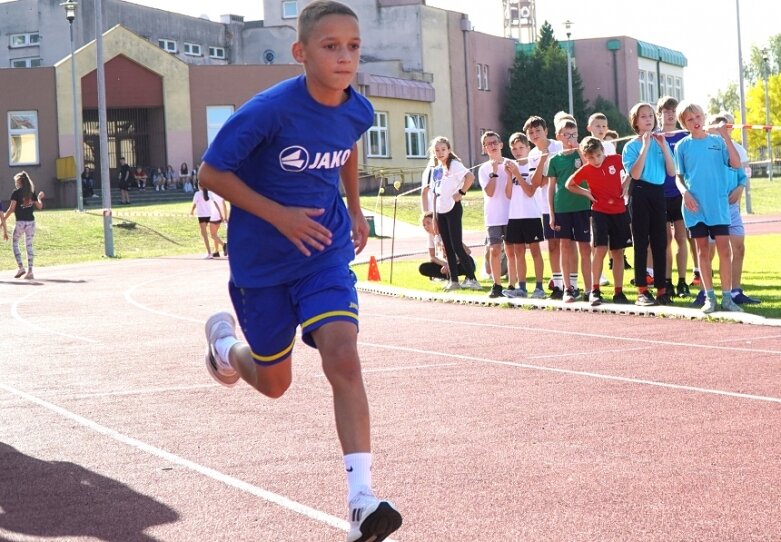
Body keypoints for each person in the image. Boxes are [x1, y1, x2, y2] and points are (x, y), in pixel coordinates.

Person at [196, 3, 402, 541]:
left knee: (342, 353)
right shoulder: (269, 111)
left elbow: (347, 148)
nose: (344, 56)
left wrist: (354, 208)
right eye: (331, 46)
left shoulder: (357, 108)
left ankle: (361, 500)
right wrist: (279, 216)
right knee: (274, 383)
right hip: (262, 262)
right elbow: (211, 172)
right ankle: (224, 348)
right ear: (301, 52)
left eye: (353, 46)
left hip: (323, 252)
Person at [674, 101, 743, 314]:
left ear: (704, 117)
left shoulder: (718, 142)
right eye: (689, 119)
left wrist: (726, 137)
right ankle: (709, 298)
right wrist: (685, 193)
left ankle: (728, 298)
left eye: (697, 117)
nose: (695, 122)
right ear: (684, 123)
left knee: (724, 250)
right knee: (702, 252)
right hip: (695, 208)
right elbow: (679, 176)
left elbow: (736, 164)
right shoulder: (682, 146)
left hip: (718, 206)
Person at [566, 137, 633, 305]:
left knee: (618, 252)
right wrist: (587, 194)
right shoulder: (586, 169)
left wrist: (626, 183)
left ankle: (619, 292)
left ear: (603, 150)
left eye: (598, 155)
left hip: (619, 211)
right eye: (590, 157)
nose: (595, 160)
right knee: (600, 250)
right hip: (599, 213)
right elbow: (569, 184)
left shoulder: (616, 159)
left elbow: (633, 169)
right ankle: (595, 290)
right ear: (584, 156)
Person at [622, 102, 676, 306]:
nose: (648, 119)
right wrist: (644, 146)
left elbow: (671, 171)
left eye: (651, 116)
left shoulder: (661, 141)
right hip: (640, 192)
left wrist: (663, 146)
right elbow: (635, 174)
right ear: (635, 121)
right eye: (643, 116)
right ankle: (642, 290)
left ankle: (662, 289)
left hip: (657, 193)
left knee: (660, 242)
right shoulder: (631, 146)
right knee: (641, 243)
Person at [546, 115, 592, 303]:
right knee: (565, 246)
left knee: (585, 248)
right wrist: (551, 212)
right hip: (562, 208)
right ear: (559, 136)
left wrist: (579, 150)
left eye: (573, 134)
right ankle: (568, 288)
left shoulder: (580, 154)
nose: (570, 138)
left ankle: (590, 289)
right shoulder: (554, 160)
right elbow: (551, 187)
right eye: (566, 135)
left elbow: (590, 168)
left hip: (581, 206)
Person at [427, 135, 480, 292]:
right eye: (437, 150)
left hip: (453, 209)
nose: (440, 152)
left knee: (457, 245)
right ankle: (454, 281)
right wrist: (435, 216)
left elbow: (470, 177)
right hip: (441, 211)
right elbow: (435, 193)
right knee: (447, 247)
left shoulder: (455, 165)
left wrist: (461, 192)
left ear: (449, 150)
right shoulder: (437, 170)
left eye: (443, 149)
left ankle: (472, 278)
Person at [524, 115, 564, 298]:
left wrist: (551, 174)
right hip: (546, 206)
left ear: (546, 131)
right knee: (553, 245)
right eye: (531, 132)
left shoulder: (559, 146)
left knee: (567, 245)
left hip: (564, 202)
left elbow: (563, 173)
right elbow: (537, 183)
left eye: (537, 130)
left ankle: (570, 283)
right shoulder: (532, 154)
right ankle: (557, 284)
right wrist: (542, 160)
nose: (534, 134)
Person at [655, 96, 691, 298]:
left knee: (681, 237)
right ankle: (666, 281)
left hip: (680, 193)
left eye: (672, 111)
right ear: (659, 114)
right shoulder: (654, 137)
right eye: (665, 111)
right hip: (660, 194)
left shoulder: (685, 136)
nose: (669, 114)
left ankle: (682, 282)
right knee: (665, 239)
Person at [504, 131, 546, 299]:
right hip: (514, 216)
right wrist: (509, 176)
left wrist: (516, 174)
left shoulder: (532, 165)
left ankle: (539, 287)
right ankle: (521, 287)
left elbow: (529, 191)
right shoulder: (510, 167)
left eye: (521, 147)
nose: (517, 151)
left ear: (528, 148)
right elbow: (508, 194)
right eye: (514, 148)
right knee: (518, 252)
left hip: (531, 215)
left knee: (535, 252)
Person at [478, 130, 517, 298]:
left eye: (495, 142)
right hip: (493, 216)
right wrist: (494, 172)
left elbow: (510, 194)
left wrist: (508, 174)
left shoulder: (511, 164)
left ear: (501, 145)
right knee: (494, 249)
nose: (492, 146)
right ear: (484, 148)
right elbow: (491, 192)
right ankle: (496, 285)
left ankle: (513, 285)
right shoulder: (483, 169)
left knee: (511, 250)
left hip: (511, 214)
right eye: (488, 144)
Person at [4, 171, 44, 279]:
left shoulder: (16, 193)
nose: (15, 183)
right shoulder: (31, 192)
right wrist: (39, 197)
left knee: (15, 242)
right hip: (31, 222)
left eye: (16, 181)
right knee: (29, 245)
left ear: (19, 181)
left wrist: (3, 219)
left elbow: (11, 209)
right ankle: (30, 271)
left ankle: (21, 267)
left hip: (20, 222)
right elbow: (39, 206)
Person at [418, 211, 475, 281]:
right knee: (423, 267)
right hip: (445, 265)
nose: (426, 227)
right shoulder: (430, 236)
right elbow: (432, 257)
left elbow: (468, 251)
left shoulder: (447, 233)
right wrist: (445, 264)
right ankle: (444, 277)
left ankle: (469, 276)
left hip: (458, 264)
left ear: (435, 222)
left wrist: (452, 263)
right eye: (424, 225)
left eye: (428, 223)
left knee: (469, 260)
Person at [190, 186, 215, 259]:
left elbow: (194, 204)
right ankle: (210, 251)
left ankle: (209, 253)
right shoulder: (209, 193)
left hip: (202, 215)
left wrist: (191, 211)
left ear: (199, 186)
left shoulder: (197, 194)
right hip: (208, 215)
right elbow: (214, 202)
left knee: (204, 235)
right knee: (203, 233)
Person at [208, 189, 228, 258]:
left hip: (213, 216)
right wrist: (225, 216)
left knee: (213, 235)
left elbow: (213, 203)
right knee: (215, 235)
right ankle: (216, 252)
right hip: (220, 216)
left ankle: (224, 245)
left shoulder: (209, 193)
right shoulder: (220, 192)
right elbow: (224, 205)